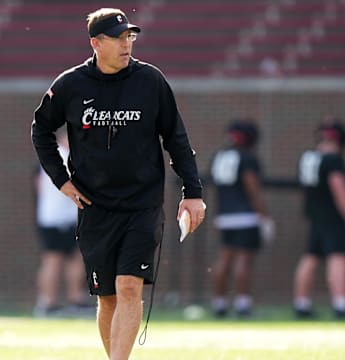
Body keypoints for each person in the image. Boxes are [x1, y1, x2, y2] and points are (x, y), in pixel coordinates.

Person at [31, 7, 205, 360]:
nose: (127, 44)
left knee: (129, 287)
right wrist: (61, 180)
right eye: (118, 38)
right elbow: (41, 130)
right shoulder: (70, 84)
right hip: (94, 207)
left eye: (130, 37)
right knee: (107, 296)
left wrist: (193, 193)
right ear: (96, 43)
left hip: (141, 204)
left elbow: (177, 139)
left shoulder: (150, 81)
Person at [293, 120, 345, 318]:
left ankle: (301, 303)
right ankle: (341, 304)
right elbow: (339, 190)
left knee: (311, 257)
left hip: (316, 215)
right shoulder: (332, 159)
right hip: (333, 216)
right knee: (338, 257)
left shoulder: (309, 157)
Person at [210, 120, 275, 317]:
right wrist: (264, 215)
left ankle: (219, 303)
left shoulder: (219, 156)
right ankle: (242, 303)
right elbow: (252, 188)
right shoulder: (247, 157)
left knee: (224, 258)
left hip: (224, 215)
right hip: (246, 215)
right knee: (244, 260)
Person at [33, 130, 93, 317]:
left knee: (75, 258)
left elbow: (38, 187)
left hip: (57, 217)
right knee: (54, 260)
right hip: (57, 218)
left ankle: (71, 300)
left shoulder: (48, 158)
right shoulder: (65, 157)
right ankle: (49, 303)